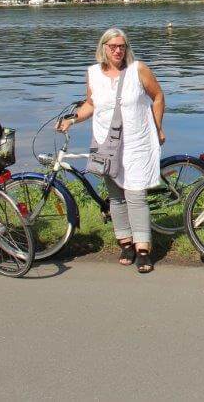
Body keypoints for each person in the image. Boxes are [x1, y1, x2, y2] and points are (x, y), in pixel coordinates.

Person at [58, 28, 165, 274]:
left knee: (135, 195)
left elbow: (158, 96)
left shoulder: (138, 69)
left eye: (122, 46)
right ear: (103, 48)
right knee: (115, 196)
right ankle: (125, 243)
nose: (118, 50)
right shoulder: (93, 73)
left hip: (136, 141)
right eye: (113, 46)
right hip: (106, 142)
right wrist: (72, 119)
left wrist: (158, 127)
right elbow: (91, 104)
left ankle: (143, 249)